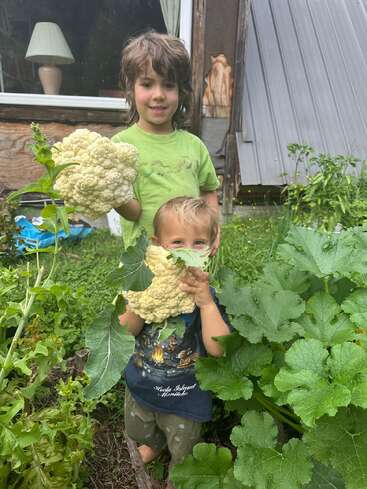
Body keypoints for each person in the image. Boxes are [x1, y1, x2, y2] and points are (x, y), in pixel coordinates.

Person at [119, 197, 231, 489]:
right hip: (142, 386)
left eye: (198, 244)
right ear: (157, 244)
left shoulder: (205, 296)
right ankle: (155, 446)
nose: (188, 253)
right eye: (178, 242)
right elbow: (126, 331)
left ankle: (177, 477)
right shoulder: (144, 285)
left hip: (184, 397)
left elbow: (219, 349)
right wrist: (139, 301)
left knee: (184, 448)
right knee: (137, 429)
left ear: (211, 248)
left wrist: (206, 304)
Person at [111, 31, 220, 251]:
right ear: (132, 89)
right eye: (147, 84)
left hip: (191, 256)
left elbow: (208, 191)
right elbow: (134, 212)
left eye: (169, 85)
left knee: (196, 288)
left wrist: (215, 230)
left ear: (181, 91)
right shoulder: (120, 146)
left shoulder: (194, 145)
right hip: (145, 261)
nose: (159, 94)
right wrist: (110, 194)